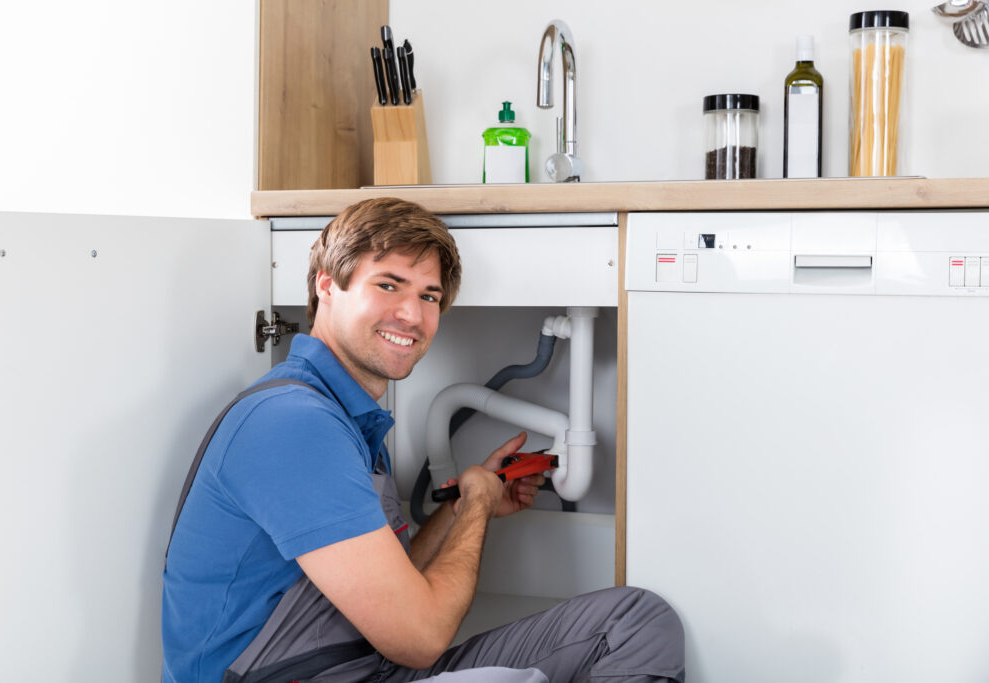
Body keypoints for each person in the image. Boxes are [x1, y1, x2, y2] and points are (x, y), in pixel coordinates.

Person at [162, 197, 684, 682]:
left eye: (428, 295)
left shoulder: (341, 413)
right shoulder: (294, 424)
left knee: (631, 622)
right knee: (636, 625)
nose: (411, 315)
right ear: (326, 285)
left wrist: (460, 510)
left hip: (358, 667)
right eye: (388, 285)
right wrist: (476, 503)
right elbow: (420, 639)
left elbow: (387, 593)